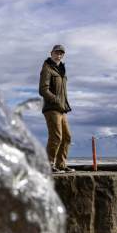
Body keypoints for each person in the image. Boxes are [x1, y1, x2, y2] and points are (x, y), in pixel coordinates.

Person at [38, 44, 74, 174]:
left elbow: (62, 91)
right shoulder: (47, 68)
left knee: (67, 137)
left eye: (61, 53)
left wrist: (63, 103)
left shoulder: (61, 70)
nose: (59, 55)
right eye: (56, 53)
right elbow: (43, 90)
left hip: (62, 108)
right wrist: (56, 99)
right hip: (51, 108)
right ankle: (49, 165)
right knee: (56, 136)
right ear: (51, 53)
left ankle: (61, 165)